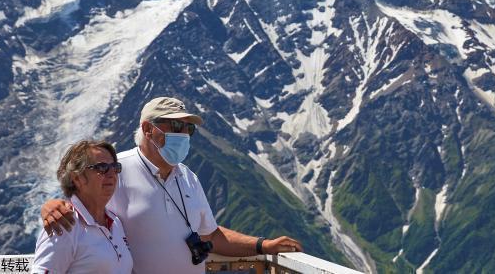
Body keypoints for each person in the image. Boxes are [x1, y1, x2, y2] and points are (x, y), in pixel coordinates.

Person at [41, 97, 302, 273]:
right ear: (148, 129)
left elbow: (209, 235)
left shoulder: (189, 177)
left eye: (189, 128)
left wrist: (261, 245)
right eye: (175, 125)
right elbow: (80, 202)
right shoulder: (116, 169)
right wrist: (52, 206)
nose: (184, 134)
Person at [32, 140, 133, 273]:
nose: (111, 174)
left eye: (115, 167)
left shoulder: (115, 222)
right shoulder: (64, 223)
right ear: (77, 178)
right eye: (102, 168)